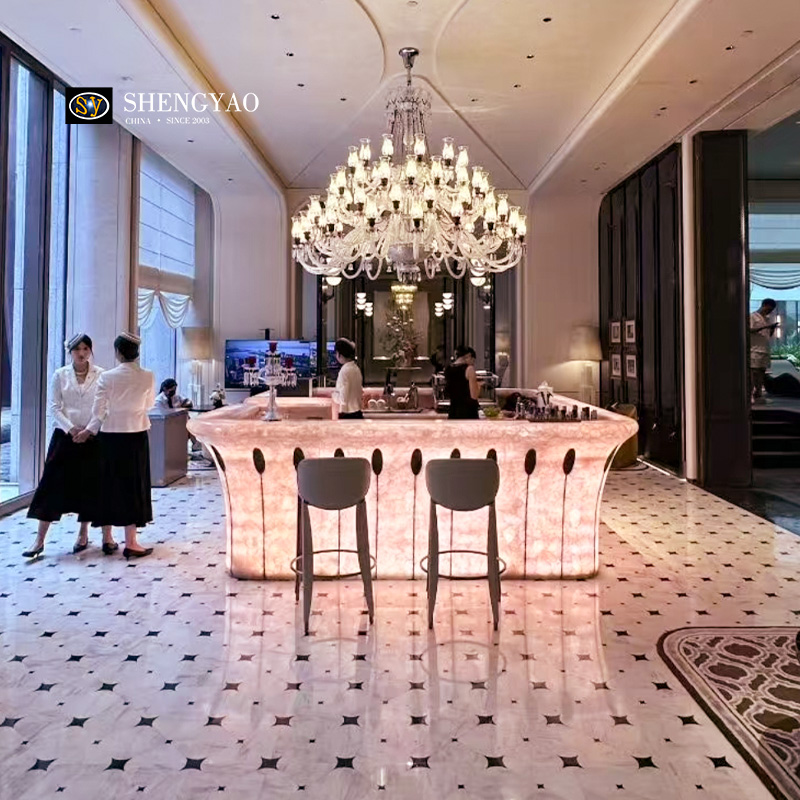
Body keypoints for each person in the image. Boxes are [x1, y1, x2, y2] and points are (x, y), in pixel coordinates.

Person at [22, 334, 104, 559]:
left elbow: (103, 408)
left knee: (88, 485)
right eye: (77, 349)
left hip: (91, 436)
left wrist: (89, 429)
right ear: (70, 352)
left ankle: (83, 533)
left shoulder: (101, 375)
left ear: (90, 351)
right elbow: (55, 407)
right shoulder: (60, 375)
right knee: (51, 485)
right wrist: (71, 429)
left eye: (86, 348)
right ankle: (39, 540)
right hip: (64, 437)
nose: (81, 353)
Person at [86, 332, 156, 559]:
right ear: (137, 354)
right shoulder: (148, 376)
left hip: (109, 436)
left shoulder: (107, 377)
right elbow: (149, 404)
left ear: (117, 353)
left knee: (109, 484)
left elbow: (98, 411)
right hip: (136, 434)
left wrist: (89, 430)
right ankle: (132, 541)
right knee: (134, 486)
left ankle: (107, 538)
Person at [155, 378, 201, 451]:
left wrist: (186, 404)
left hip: (179, 421)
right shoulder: (159, 401)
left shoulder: (176, 397)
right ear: (165, 389)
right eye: (172, 390)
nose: (173, 392)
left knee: (191, 423)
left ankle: (196, 446)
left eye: (175, 389)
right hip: (168, 424)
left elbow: (187, 401)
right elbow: (164, 415)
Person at [749, 299, 777, 402]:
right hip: (754, 349)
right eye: (768, 309)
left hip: (764, 349)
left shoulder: (767, 319)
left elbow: (767, 334)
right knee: (753, 372)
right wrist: (765, 326)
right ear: (764, 305)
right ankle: (750, 393)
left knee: (761, 372)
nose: (769, 312)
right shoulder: (752, 316)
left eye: (771, 310)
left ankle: (758, 393)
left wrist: (772, 328)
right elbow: (749, 330)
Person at [445, 345, 480, 419]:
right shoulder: (469, 369)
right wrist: (479, 385)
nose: (473, 363)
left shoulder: (448, 369)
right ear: (469, 356)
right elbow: (474, 395)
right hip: (468, 412)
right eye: (473, 360)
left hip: (453, 411)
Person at [332, 338, 363, 419]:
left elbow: (343, 399)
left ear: (339, 354)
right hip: (358, 412)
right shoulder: (356, 368)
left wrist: (334, 395)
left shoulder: (344, 371)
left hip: (347, 415)